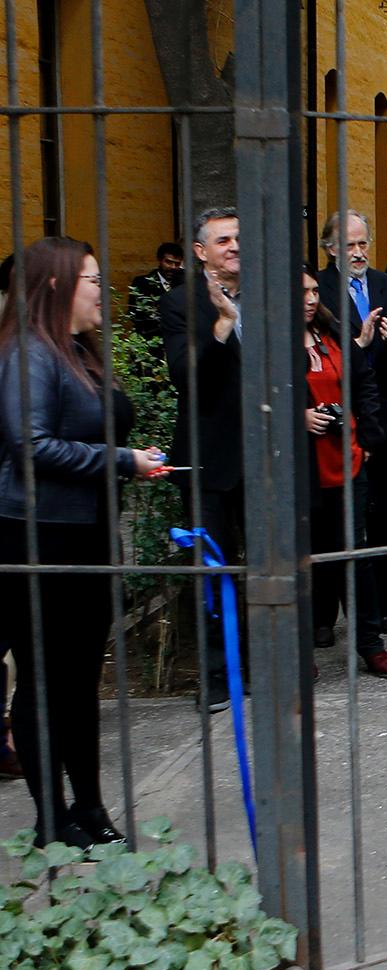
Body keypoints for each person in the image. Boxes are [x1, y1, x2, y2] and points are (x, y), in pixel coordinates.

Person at [0, 237, 166, 848]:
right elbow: (30, 446)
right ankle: (53, 819)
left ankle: (90, 810)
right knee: (46, 679)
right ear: (55, 286)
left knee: (78, 680)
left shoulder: (75, 352)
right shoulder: (27, 354)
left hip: (88, 531)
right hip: (39, 536)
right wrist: (123, 460)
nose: (104, 289)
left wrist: (128, 460)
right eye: (93, 279)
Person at [300, 266, 387, 678]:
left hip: (349, 461)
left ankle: (370, 644)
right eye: (300, 291)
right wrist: (300, 416)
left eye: (312, 290)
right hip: (304, 468)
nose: (309, 298)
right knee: (304, 559)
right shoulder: (273, 341)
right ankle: (302, 644)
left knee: (356, 555)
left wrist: (369, 437)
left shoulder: (334, 334)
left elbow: (365, 384)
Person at [161, 207, 244, 713]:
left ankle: (261, 664)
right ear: (200, 251)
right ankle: (216, 675)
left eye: (238, 238)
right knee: (215, 570)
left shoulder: (271, 293)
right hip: (210, 459)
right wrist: (221, 325)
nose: (234, 247)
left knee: (266, 566)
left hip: (266, 457)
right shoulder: (180, 304)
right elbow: (184, 376)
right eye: (222, 240)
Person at [316, 210, 387, 638]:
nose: (358, 252)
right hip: (332, 418)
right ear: (330, 247)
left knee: (384, 516)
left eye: (363, 244)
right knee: (330, 519)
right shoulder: (314, 289)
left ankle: (383, 607)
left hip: (383, 418)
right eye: (349, 245)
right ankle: (324, 616)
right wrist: (359, 343)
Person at [126, 241, 184, 342]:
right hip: (151, 344)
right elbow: (135, 316)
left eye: (177, 264)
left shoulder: (186, 282)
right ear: (160, 260)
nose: (173, 267)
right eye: (168, 262)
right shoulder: (142, 284)